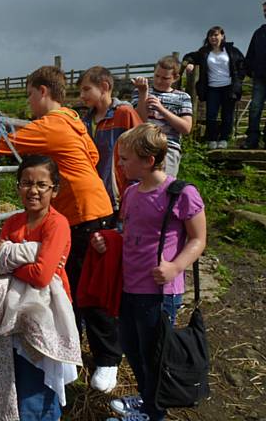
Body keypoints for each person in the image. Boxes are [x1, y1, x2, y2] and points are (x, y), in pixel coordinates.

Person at [0, 66, 121, 393]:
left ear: (44, 92)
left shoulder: (50, 126)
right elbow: (92, 154)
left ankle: (108, 359)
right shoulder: (74, 120)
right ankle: (67, 347)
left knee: (86, 287)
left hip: (83, 213)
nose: (29, 102)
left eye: (30, 94)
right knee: (77, 284)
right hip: (91, 207)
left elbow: (1, 144)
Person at [92, 123, 206, 421]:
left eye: (126, 158)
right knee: (132, 348)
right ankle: (147, 400)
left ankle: (153, 413)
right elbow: (129, 233)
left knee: (155, 355)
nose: (120, 163)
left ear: (148, 160)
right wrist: (109, 242)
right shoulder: (131, 193)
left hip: (159, 292)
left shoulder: (181, 194)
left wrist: (175, 267)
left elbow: (198, 239)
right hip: (129, 287)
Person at [0, 155, 81, 421]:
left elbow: (41, 276)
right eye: (26, 183)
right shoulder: (14, 221)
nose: (33, 190)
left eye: (41, 185)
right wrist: (30, 256)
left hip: (43, 314)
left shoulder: (56, 224)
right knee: (17, 378)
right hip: (13, 315)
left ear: (54, 190)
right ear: (18, 186)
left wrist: (8, 256)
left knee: (38, 385)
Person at [78, 66, 142, 212]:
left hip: (122, 197)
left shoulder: (124, 114)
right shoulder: (84, 122)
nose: (81, 95)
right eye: (80, 91)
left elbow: (142, 150)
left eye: (86, 89)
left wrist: (134, 189)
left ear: (104, 87)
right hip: (95, 198)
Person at [182, 26, 246, 149]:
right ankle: (211, 139)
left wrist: (238, 80)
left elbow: (242, 64)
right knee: (211, 114)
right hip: (212, 88)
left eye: (216, 35)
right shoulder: (204, 52)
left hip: (229, 87)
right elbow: (190, 56)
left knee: (227, 115)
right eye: (211, 35)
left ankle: (224, 139)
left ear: (222, 36)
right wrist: (189, 63)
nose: (213, 38)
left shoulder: (232, 50)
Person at [131, 56, 193, 176]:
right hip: (142, 144)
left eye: (165, 78)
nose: (159, 81)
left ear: (175, 78)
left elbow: (186, 128)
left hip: (168, 148)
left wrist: (161, 109)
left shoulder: (183, 97)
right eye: (157, 76)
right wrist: (143, 93)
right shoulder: (140, 91)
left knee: (162, 187)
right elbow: (138, 122)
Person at [243, 0, 266, 149]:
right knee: (255, 107)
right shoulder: (259, 33)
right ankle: (252, 140)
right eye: (264, 11)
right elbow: (250, 55)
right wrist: (250, 71)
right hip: (260, 77)